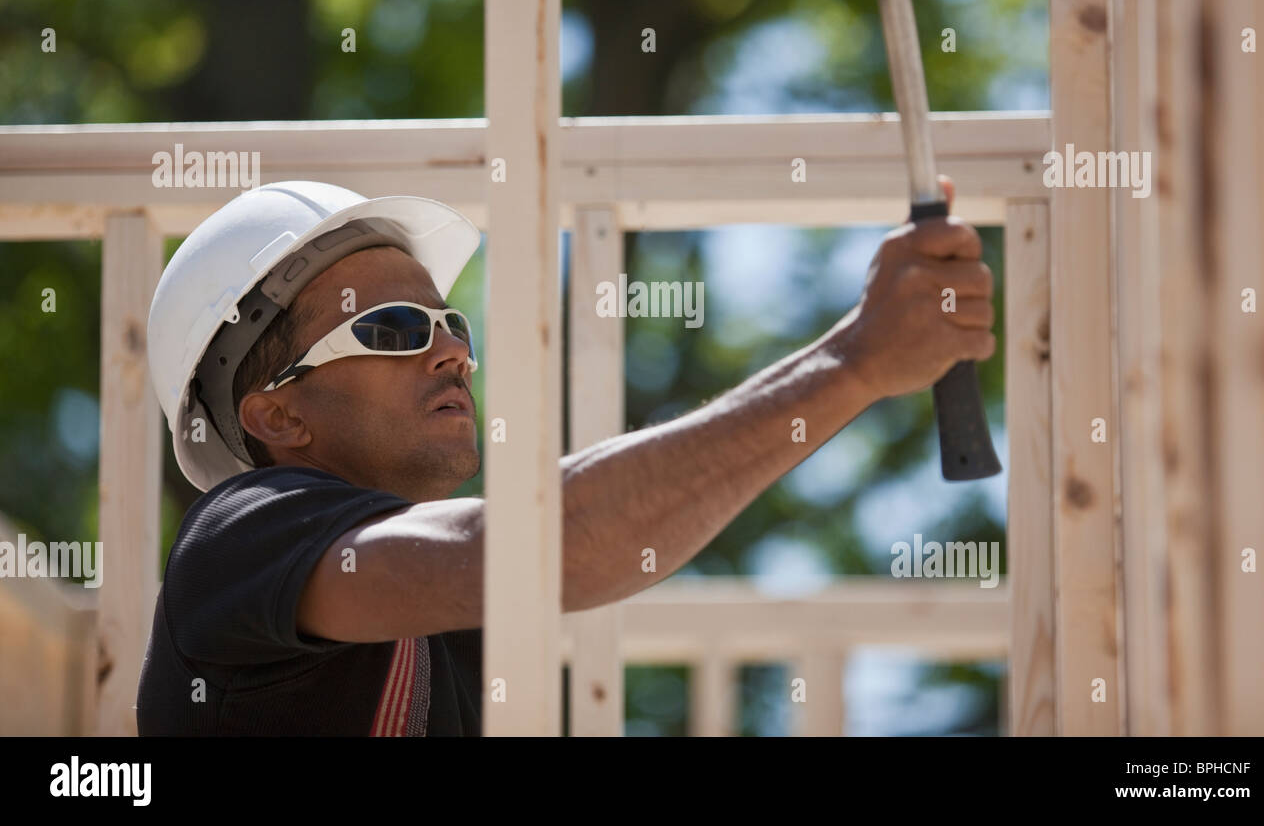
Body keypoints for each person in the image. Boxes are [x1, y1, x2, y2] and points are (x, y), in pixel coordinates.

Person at [136, 177, 994, 736]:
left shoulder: (439, 623)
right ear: (278, 416)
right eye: (391, 328)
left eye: (452, 326)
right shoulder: (236, 538)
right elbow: (546, 550)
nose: (452, 354)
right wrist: (852, 363)